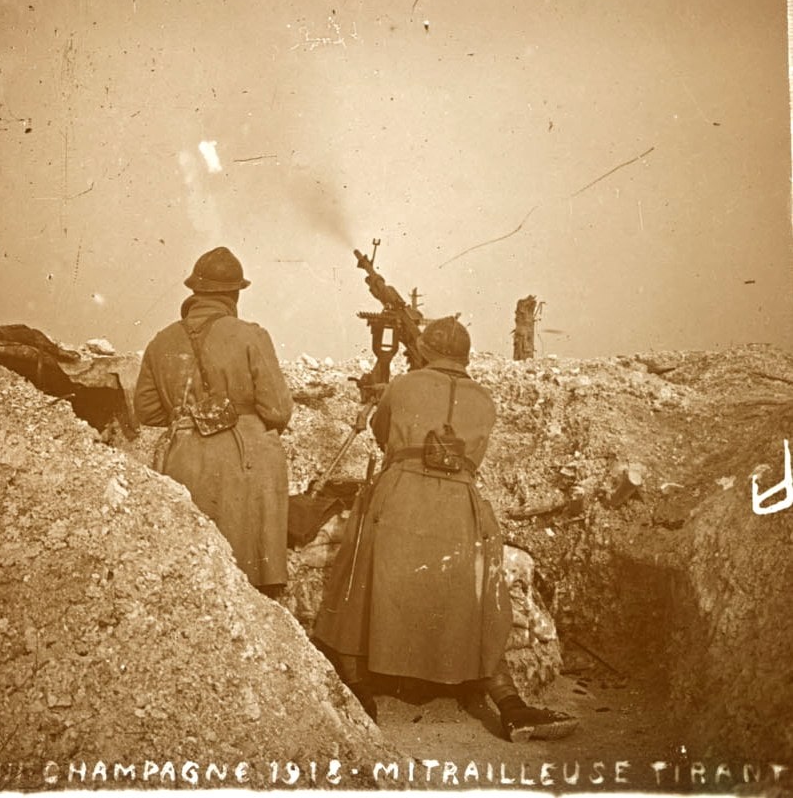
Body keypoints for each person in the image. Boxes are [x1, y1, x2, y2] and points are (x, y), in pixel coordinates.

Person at [313, 316, 578, 741]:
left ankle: (360, 690)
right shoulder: (485, 399)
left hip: (400, 493)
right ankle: (511, 705)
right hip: (459, 502)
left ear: (426, 350)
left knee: (357, 576)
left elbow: (382, 436)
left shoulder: (403, 384)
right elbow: (476, 457)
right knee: (474, 602)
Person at [134, 247, 293, 596]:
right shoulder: (251, 334)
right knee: (251, 580)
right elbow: (278, 410)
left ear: (195, 291)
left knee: (191, 575)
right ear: (234, 294)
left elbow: (146, 411)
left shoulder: (161, 341)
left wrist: (189, 417)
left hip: (184, 458)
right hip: (246, 464)